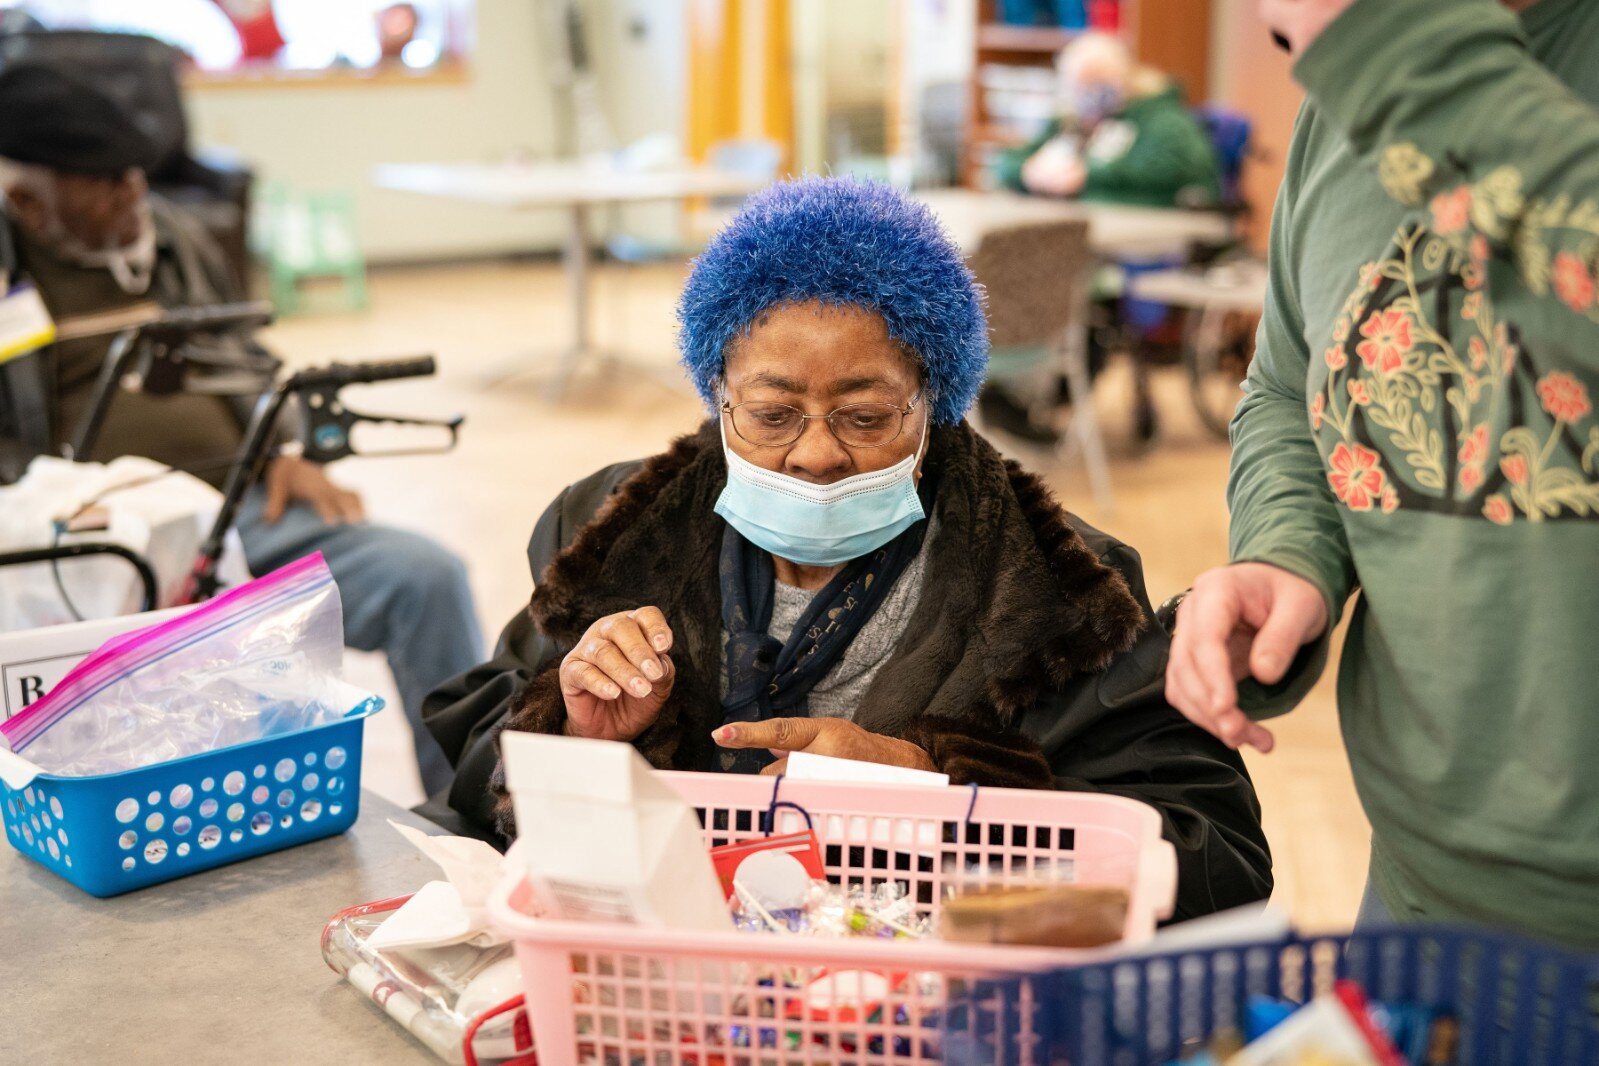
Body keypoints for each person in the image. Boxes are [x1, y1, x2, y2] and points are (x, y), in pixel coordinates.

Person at [424, 176, 1272, 921]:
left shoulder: (1062, 590)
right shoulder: (608, 534)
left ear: (931, 402)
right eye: (770, 414)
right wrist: (580, 737)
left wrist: (928, 794)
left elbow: (1212, 856)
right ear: (717, 397)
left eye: (866, 417)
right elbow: (472, 771)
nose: (817, 452)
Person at [1166, 0, 1599, 948]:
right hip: (1421, 881)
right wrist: (1288, 551)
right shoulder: (1345, 96)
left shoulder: (1381, 48)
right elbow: (1288, 380)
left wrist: (1385, 41)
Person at [0, 62, 482, 796]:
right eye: (105, 185)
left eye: (137, 176)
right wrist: (59, 507)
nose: (136, 198)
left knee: (423, 576)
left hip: (241, 515)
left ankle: (467, 815)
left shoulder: (175, 240)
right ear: (30, 205)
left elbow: (249, 359)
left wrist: (280, 445)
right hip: (84, 552)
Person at [994, 32, 1221, 209]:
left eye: (1095, 80)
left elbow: (1164, 179)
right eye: (1077, 84)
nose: (1086, 92)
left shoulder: (1164, 121)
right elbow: (1007, 163)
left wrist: (1085, 178)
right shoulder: (1068, 121)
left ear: (1124, 76)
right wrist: (1029, 173)